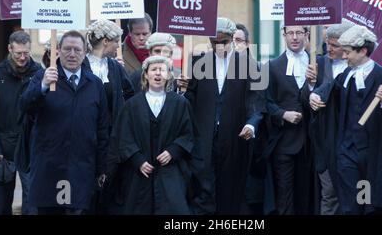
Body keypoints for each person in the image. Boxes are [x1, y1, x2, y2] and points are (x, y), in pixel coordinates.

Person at [309, 25, 382, 214]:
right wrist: (314, 95)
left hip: (374, 155)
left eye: (348, 52)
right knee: (350, 206)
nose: (344, 56)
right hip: (347, 153)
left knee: (369, 205)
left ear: (363, 51)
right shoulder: (347, 74)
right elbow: (329, 91)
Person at [20, 31, 109, 215]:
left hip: (81, 167)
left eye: (77, 49)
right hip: (50, 166)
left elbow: (102, 129)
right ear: (58, 50)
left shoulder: (95, 84)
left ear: (85, 52)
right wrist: (43, 86)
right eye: (67, 49)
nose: (72, 54)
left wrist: (102, 167)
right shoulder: (43, 77)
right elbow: (24, 106)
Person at [185, 17, 263, 215]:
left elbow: (258, 101)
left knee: (230, 191)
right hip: (203, 138)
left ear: (232, 39)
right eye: (214, 42)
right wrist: (182, 89)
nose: (219, 46)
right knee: (203, 190)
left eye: (224, 42)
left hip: (235, 137)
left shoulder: (250, 65)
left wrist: (251, 124)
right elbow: (190, 100)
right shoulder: (197, 62)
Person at [113, 56, 194, 214]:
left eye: (162, 70)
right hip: (140, 173)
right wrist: (137, 159)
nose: (158, 74)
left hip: (170, 171)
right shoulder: (132, 105)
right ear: (145, 75)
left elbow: (188, 133)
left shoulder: (180, 103)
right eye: (154, 69)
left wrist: (173, 151)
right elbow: (123, 136)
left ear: (169, 75)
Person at [302, 20, 354, 215]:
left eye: (334, 45)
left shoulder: (357, 66)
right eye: (327, 43)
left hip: (351, 142)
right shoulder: (320, 62)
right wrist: (310, 87)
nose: (328, 48)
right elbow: (305, 99)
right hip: (325, 141)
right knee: (329, 194)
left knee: (353, 196)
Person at [84, 19, 135, 213]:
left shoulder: (114, 67)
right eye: (116, 41)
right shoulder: (81, 65)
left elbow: (130, 93)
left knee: (110, 186)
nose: (118, 46)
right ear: (105, 41)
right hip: (87, 136)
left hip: (111, 138)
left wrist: (123, 117)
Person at [265, 25, 314, 215]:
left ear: (306, 35)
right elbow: (265, 102)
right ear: (284, 35)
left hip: (311, 141)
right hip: (284, 141)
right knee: (284, 194)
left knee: (307, 194)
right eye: (290, 33)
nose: (295, 37)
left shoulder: (318, 63)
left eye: (299, 33)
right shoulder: (272, 66)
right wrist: (282, 114)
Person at [0, 30, 42, 215]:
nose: (22, 57)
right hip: (4, 150)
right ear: (9, 50)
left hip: (31, 148)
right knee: (4, 205)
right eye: (18, 53)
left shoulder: (39, 73)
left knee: (33, 204)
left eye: (26, 53)